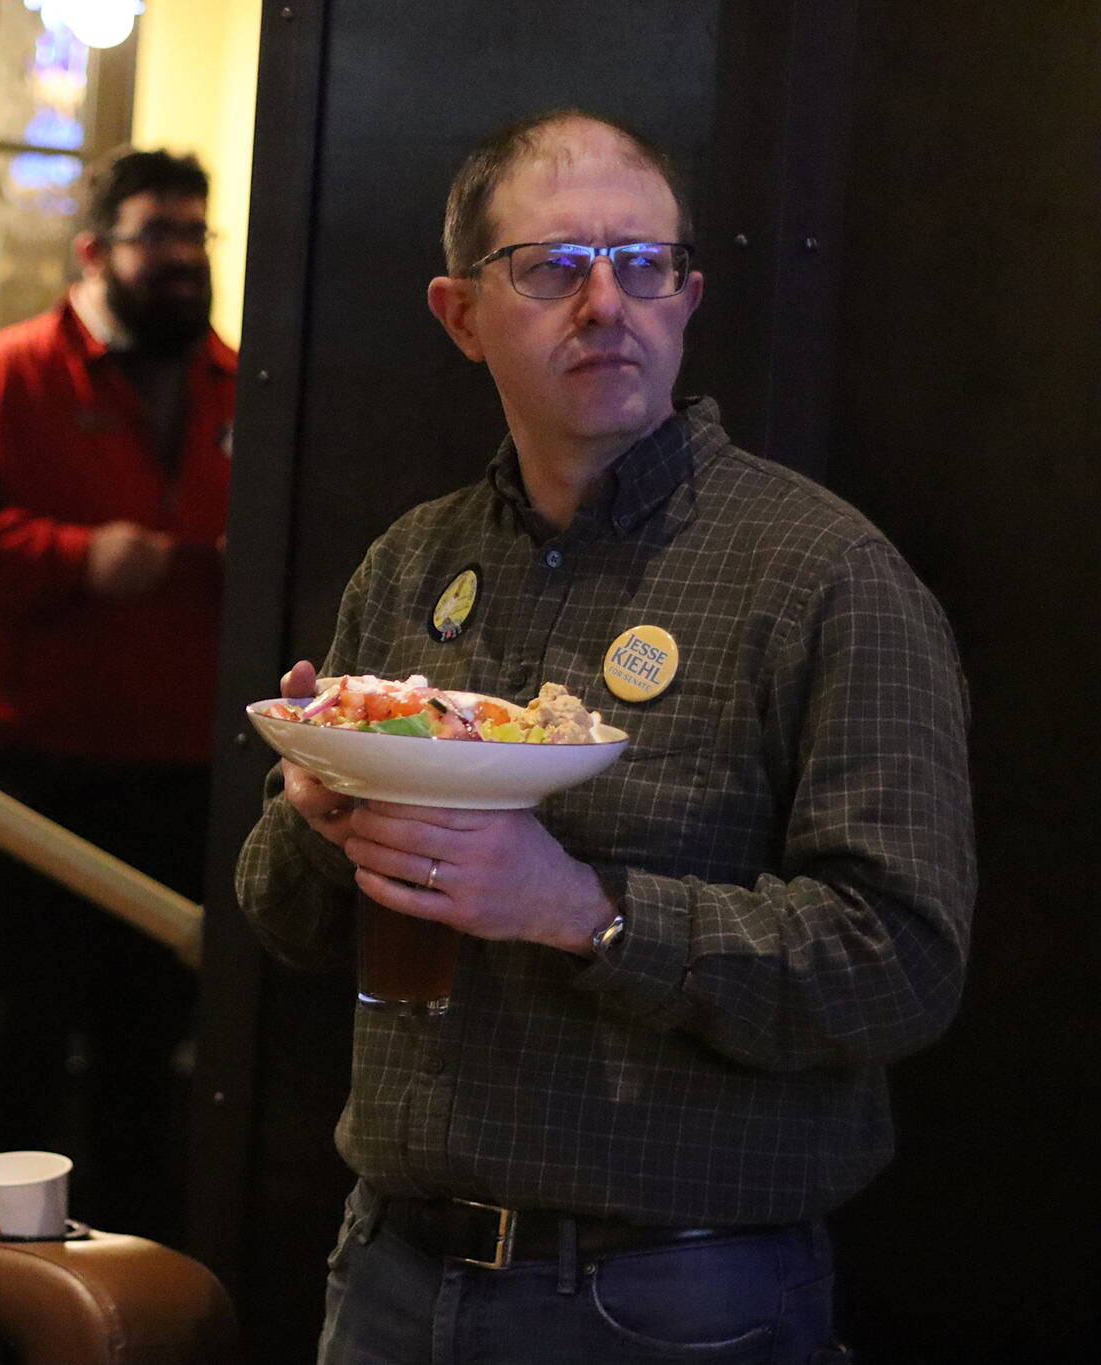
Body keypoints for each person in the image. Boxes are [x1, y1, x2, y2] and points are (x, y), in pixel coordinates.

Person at [235, 110, 974, 1363]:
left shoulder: (822, 576)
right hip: (390, 1276)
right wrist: (318, 813)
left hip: (675, 1300)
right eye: (550, 267)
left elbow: (898, 963)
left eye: (641, 264)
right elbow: (289, 925)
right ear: (459, 314)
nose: (603, 303)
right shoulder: (413, 563)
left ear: (685, 298)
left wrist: (583, 909)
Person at [0, 147, 234, 1242]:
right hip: (37, 770)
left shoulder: (238, 382)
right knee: (14, 1034)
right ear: (95, 250)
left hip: (188, 771)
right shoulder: (4, 374)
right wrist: (73, 556)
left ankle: (129, 1277)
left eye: (194, 234)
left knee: (153, 1046)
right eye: (155, 235)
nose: (180, 258)